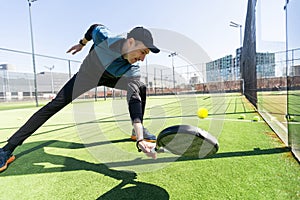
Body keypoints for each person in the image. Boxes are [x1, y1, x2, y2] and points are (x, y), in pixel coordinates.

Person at [0, 24, 160, 172]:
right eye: (143, 52)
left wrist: (140, 138)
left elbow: (134, 100)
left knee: (140, 87)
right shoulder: (105, 38)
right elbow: (94, 28)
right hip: (88, 75)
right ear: (131, 42)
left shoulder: (133, 67)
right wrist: (82, 43)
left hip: (113, 78)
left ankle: (136, 131)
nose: (143, 58)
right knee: (54, 105)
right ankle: (7, 149)